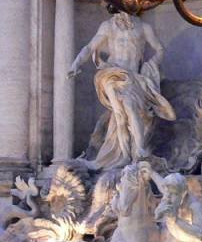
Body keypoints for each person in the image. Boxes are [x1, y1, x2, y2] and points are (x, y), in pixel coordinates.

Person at [68, 11, 176, 169]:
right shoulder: (107, 26)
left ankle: (138, 152)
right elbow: (90, 47)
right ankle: (126, 155)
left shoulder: (143, 27)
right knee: (120, 114)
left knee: (131, 110)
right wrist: (76, 64)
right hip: (112, 74)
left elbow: (160, 49)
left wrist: (150, 65)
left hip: (132, 77)